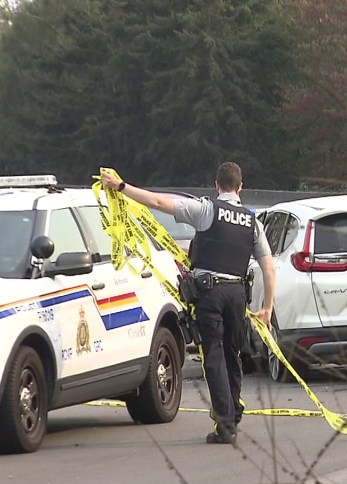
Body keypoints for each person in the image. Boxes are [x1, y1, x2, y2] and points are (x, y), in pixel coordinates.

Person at [100, 162, 276, 445]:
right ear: (240, 187)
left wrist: (121, 187)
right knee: (232, 356)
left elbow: (157, 202)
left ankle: (225, 424)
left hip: (210, 294)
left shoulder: (207, 210)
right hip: (237, 294)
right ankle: (233, 408)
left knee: (214, 356)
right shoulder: (251, 222)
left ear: (217, 185)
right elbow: (268, 268)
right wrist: (267, 307)